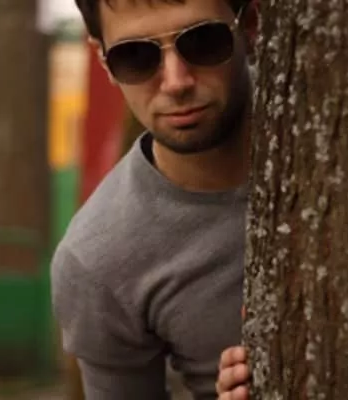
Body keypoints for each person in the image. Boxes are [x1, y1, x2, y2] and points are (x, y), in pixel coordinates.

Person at [50, 0, 257, 398]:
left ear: (249, 25)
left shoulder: (342, 118)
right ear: (105, 61)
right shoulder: (97, 260)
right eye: (135, 56)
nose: (176, 82)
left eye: (203, 42)